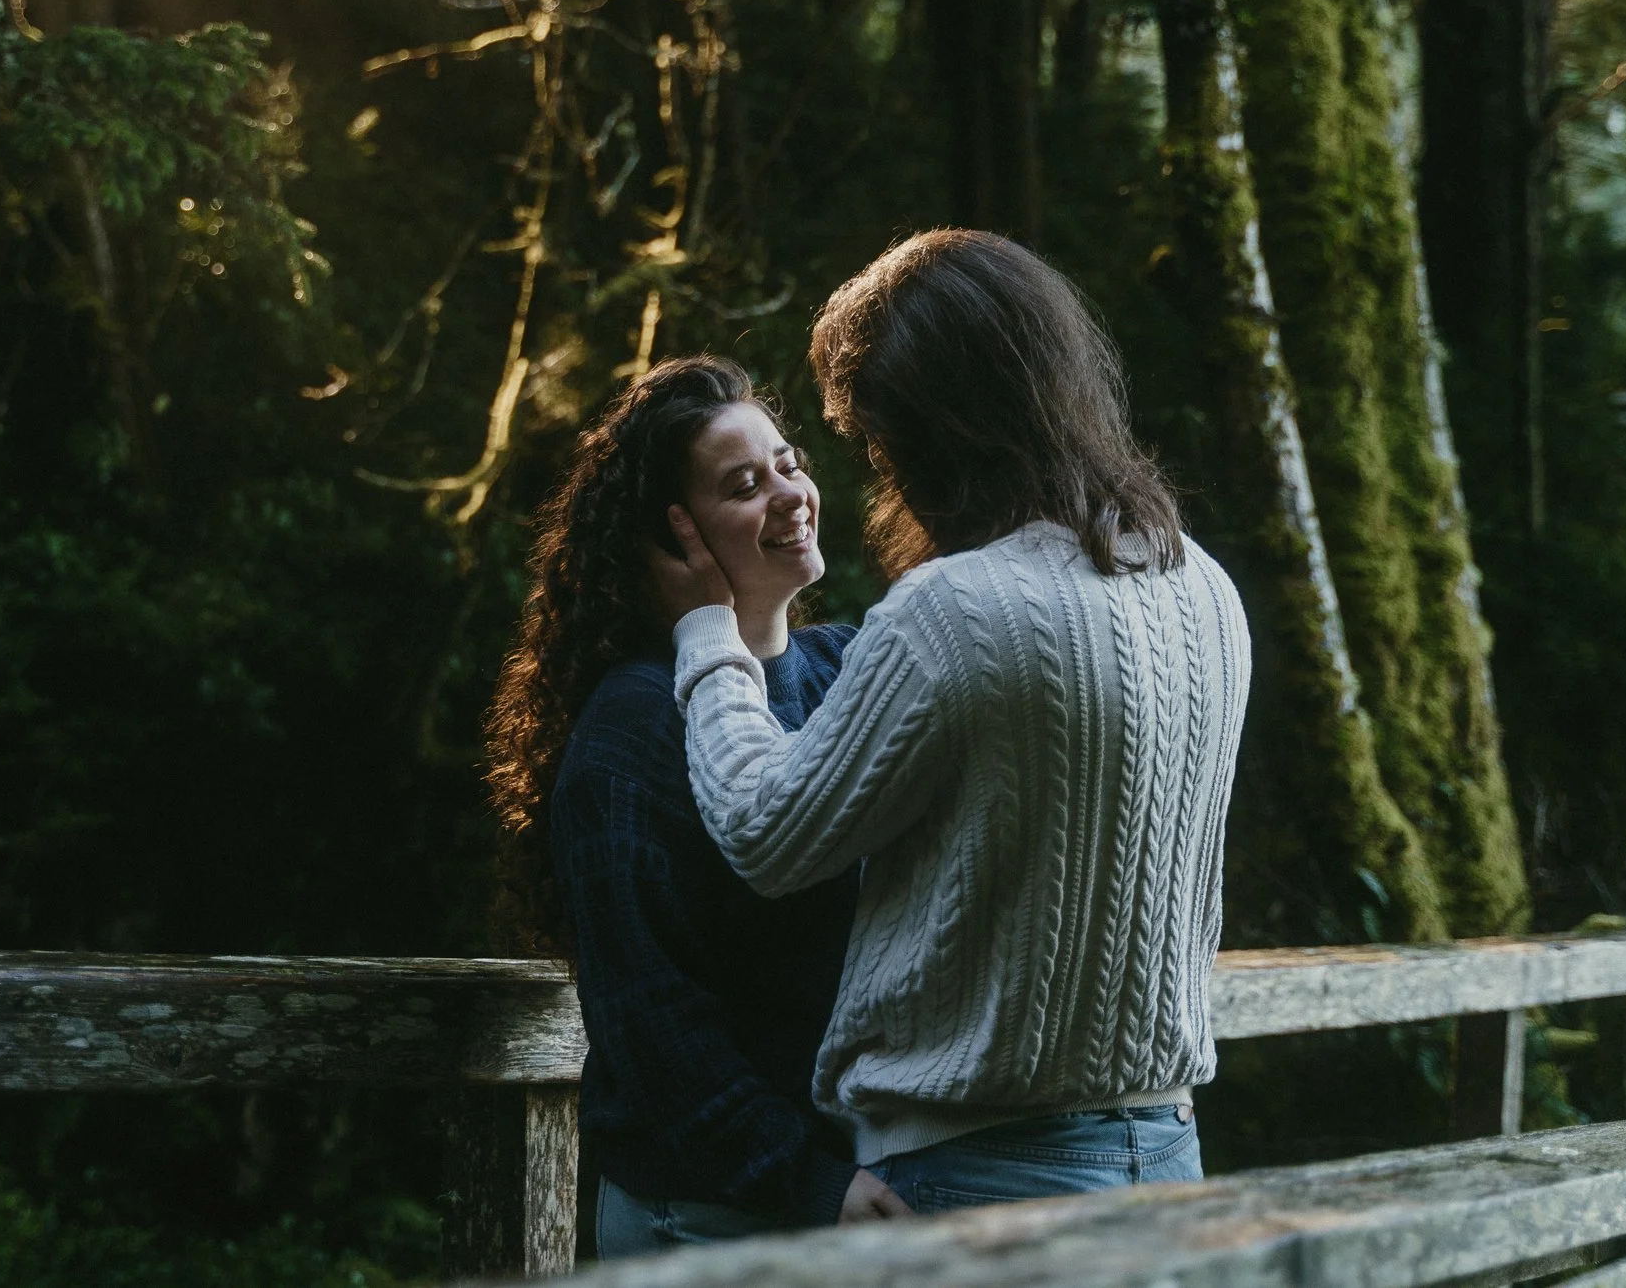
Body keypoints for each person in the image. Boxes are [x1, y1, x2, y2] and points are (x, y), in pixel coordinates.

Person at [653, 229, 1250, 1215]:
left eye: (870, 435)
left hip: (971, 1174)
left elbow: (765, 832)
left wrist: (707, 634)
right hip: (1165, 1159)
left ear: (922, 428)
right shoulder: (1202, 584)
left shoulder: (954, 609)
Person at [481, 356, 911, 1258]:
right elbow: (650, 1021)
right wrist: (810, 1181)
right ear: (674, 539)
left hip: (844, 1193)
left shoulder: (844, 667)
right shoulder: (632, 727)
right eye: (745, 485)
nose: (791, 494)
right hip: (706, 1216)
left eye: (789, 463)